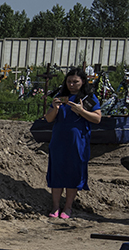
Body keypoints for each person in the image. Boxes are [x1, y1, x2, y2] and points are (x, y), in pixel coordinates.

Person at [43, 67, 102, 220]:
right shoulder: (61, 96)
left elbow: (97, 118)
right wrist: (55, 108)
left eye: (75, 82)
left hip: (78, 142)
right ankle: (55, 206)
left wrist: (81, 111)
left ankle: (68, 207)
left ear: (82, 82)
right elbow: (49, 119)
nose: (72, 84)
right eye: (69, 81)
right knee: (57, 172)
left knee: (73, 173)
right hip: (59, 141)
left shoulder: (89, 98)